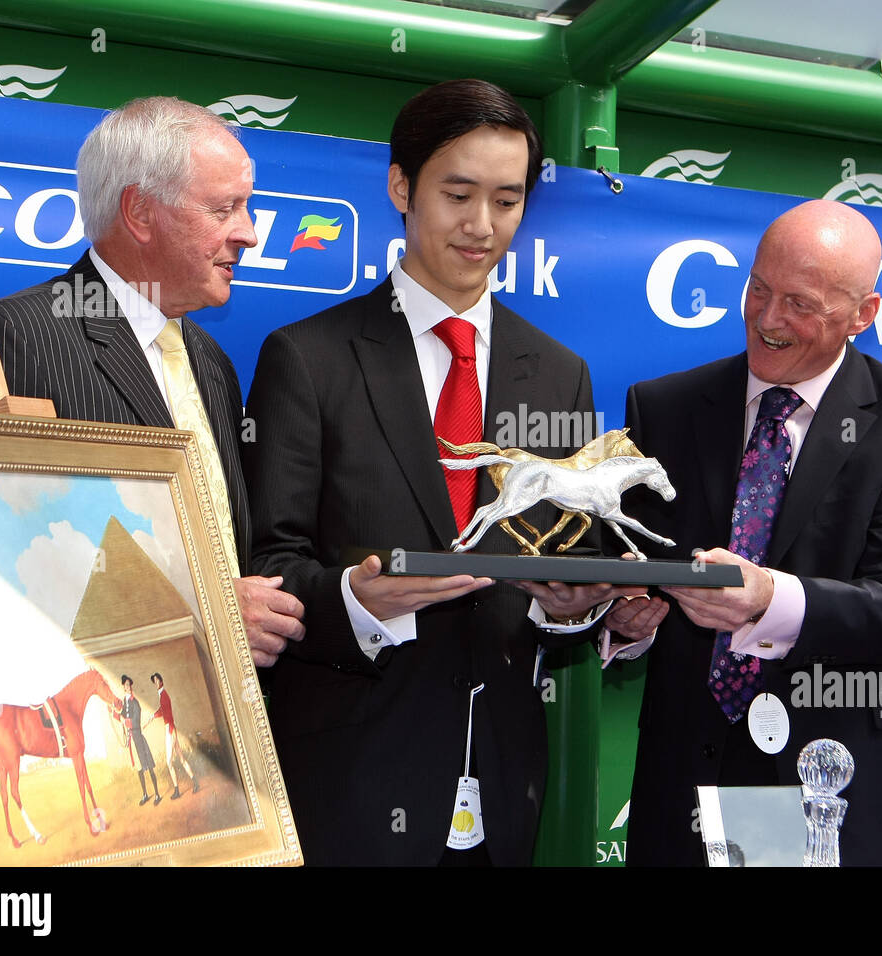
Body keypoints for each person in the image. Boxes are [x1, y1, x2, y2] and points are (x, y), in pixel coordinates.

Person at [243, 78, 632, 866]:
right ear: (400, 186)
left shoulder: (561, 373)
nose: (482, 226)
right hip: (348, 780)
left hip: (504, 779)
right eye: (458, 194)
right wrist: (356, 599)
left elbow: (568, 564)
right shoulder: (308, 359)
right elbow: (264, 566)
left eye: (508, 201)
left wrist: (579, 607)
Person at [603, 199, 882, 866]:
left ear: (864, 315)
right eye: (759, 288)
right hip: (682, 776)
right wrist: (624, 622)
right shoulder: (663, 408)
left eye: (800, 303)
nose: (767, 320)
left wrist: (769, 599)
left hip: (829, 780)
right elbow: (633, 569)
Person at [0, 96, 304, 669]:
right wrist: (201, 611)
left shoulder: (211, 362)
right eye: (225, 209)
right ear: (141, 212)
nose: (247, 234)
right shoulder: (8, 339)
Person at [149, 673, 197, 799]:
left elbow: (168, 715)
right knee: (181, 758)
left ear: (161, 680)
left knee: (169, 761)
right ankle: (195, 782)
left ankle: (177, 790)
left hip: (169, 729)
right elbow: (162, 710)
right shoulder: (162, 695)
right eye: (154, 681)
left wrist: (170, 731)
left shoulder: (163, 695)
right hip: (171, 728)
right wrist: (153, 716)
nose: (156, 683)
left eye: (157, 680)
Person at [119, 675, 161, 806]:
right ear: (124, 688)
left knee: (148, 765)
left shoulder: (135, 702)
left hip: (138, 737)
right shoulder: (125, 702)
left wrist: (125, 721)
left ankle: (157, 794)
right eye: (126, 685)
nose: (129, 687)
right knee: (139, 768)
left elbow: (135, 721)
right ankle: (145, 794)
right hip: (132, 740)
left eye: (130, 685)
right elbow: (122, 715)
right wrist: (115, 713)